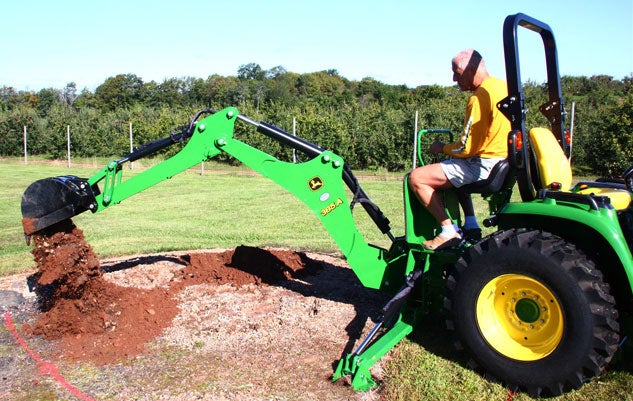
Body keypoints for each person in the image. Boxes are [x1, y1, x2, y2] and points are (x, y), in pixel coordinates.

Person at [409, 49, 510, 250]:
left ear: (472, 70)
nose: (454, 78)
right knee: (454, 170)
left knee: (417, 178)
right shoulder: (503, 87)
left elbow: (466, 148)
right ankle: (471, 225)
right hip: (502, 161)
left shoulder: (479, 97)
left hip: (483, 164)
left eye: (457, 72)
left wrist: (442, 147)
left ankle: (449, 231)